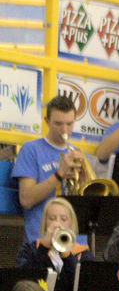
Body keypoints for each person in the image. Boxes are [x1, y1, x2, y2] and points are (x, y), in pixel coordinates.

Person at [16, 197, 92, 291]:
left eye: (63, 219)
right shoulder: (30, 250)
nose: (58, 223)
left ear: (71, 224)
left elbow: (83, 287)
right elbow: (24, 283)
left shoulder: (82, 254)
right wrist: (44, 247)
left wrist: (67, 255)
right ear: (45, 223)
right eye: (52, 218)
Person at [12, 94, 82, 243]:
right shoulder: (30, 149)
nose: (64, 130)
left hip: (75, 243)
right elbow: (26, 199)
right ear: (46, 121)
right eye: (58, 123)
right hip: (40, 241)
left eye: (69, 124)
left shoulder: (79, 154)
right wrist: (60, 173)